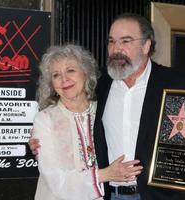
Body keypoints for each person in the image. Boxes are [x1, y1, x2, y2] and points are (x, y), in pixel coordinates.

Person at [30, 14, 185, 200]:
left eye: (125, 41)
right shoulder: (99, 84)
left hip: (164, 196)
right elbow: (71, 124)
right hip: (111, 195)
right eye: (111, 41)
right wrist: (36, 145)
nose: (116, 48)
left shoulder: (178, 83)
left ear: (146, 45)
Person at [32, 44, 143, 200]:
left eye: (70, 70)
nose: (64, 79)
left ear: (85, 73)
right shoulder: (45, 119)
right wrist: (104, 175)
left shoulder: (105, 110)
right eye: (56, 75)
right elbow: (54, 178)